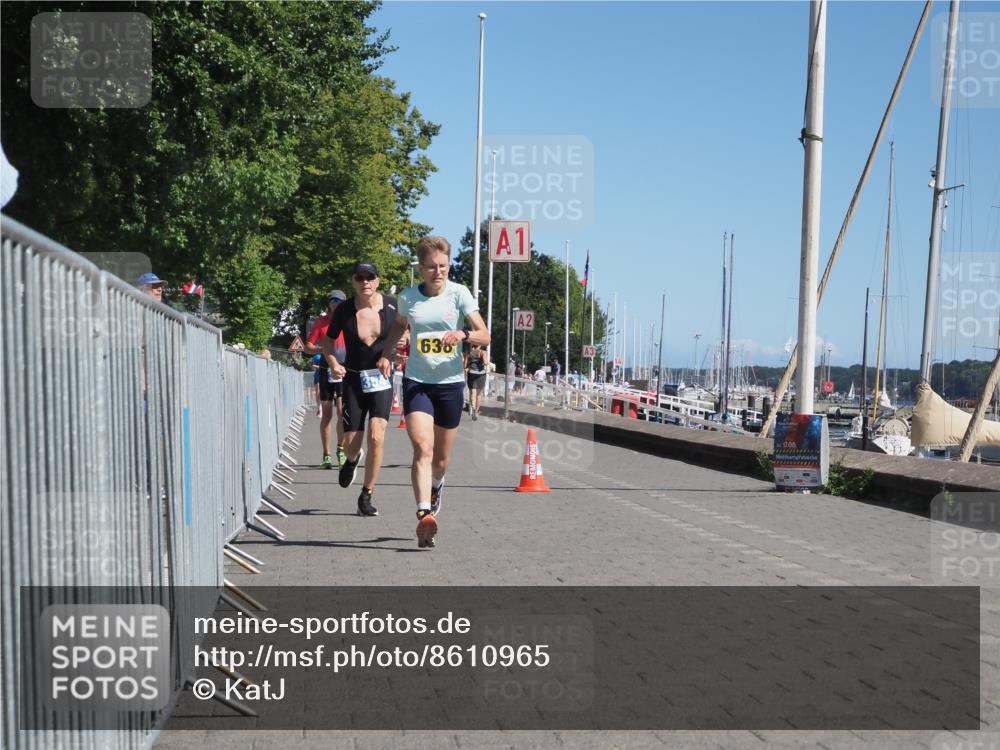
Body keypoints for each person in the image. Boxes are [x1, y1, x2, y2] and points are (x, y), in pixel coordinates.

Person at [379, 236, 490, 549]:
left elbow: (485, 334)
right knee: (422, 449)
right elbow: (399, 327)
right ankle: (424, 513)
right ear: (421, 267)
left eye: (442, 266)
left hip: (450, 384)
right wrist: (387, 353)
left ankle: (437, 486)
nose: (437, 272)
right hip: (417, 381)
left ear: (449, 265)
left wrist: (463, 333)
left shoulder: (459, 295)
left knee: (441, 459)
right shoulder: (408, 298)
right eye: (431, 267)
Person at [323, 262, 398, 517]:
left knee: (377, 436)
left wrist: (392, 353)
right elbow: (328, 341)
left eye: (370, 277)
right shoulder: (344, 310)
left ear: (377, 281)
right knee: (350, 444)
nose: (365, 281)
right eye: (360, 277)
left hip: (381, 380)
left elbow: (405, 332)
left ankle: (366, 494)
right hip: (353, 380)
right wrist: (333, 362)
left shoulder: (392, 306)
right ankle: (353, 460)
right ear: (354, 282)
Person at [306, 291, 348, 469]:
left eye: (338, 301)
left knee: (342, 412)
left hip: (345, 368)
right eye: (332, 300)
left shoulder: (349, 320)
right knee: (327, 413)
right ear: (328, 303)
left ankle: (341, 449)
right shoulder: (321, 322)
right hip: (326, 369)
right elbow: (308, 347)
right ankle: (326, 455)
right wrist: (320, 349)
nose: (335, 303)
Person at [465, 344, 489, 420]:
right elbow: (485, 362)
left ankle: (472, 407)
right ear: (479, 345)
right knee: (479, 395)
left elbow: (465, 365)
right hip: (481, 374)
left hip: (471, 373)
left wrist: (468, 367)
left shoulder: (469, 352)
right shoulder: (483, 352)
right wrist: (487, 362)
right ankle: (476, 411)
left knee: (473, 391)